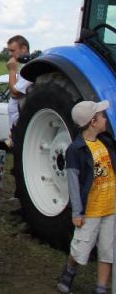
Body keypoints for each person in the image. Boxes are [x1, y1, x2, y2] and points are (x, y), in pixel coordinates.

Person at [56, 100, 115, 294]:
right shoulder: (76, 150)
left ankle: (101, 288)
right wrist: (77, 211)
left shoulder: (105, 142)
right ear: (93, 122)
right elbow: (73, 183)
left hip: (110, 208)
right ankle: (70, 271)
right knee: (81, 248)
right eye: (101, 116)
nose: (105, 119)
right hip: (91, 210)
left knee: (107, 251)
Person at [6, 35, 33, 132]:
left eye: (12, 51)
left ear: (24, 49)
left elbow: (14, 93)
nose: (10, 54)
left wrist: (12, 70)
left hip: (21, 124)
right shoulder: (22, 67)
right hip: (15, 125)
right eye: (9, 51)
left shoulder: (30, 68)